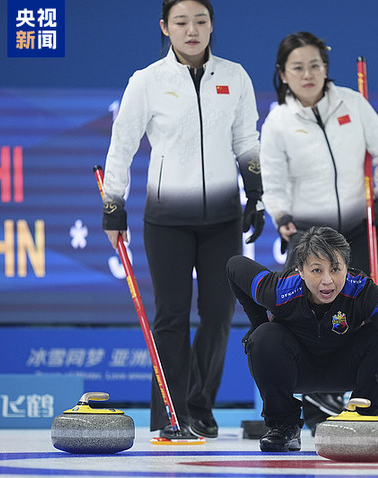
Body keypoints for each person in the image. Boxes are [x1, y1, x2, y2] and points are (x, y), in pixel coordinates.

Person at [101, 0, 265, 440]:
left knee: (219, 314)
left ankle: (199, 406)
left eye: (200, 21)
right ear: (165, 27)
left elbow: (246, 140)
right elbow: (122, 144)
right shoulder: (147, 81)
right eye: (181, 22)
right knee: (171, 316)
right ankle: (170, 415)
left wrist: (256, 194)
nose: (191, 30)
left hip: (222, 218)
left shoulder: (235, 76)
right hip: (167, 219)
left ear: (211, 26)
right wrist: (113, 206)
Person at [259, 31, 378, 427]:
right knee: (305, 326)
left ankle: (366, 411)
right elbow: (272, 181)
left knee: (373, 320)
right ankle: (310, 408)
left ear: (326, 68)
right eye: (298, 68)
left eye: (315, 65)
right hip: (309, 241)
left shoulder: (353, 104)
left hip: (360, 231)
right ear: (283, 74)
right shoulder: (278, 122)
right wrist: (281, 216)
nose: (308, 74)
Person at [227, 226, 378, 452]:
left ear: (346, 267)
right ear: (300, 270)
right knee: (263, 336)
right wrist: (258, 323)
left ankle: (364, 417)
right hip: (296, 368)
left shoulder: (361, 290)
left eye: (335, 269)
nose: (327, 281)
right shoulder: (280, 289)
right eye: (316, 270)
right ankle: (284, 426)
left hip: (345, 368)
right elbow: (234, 265)